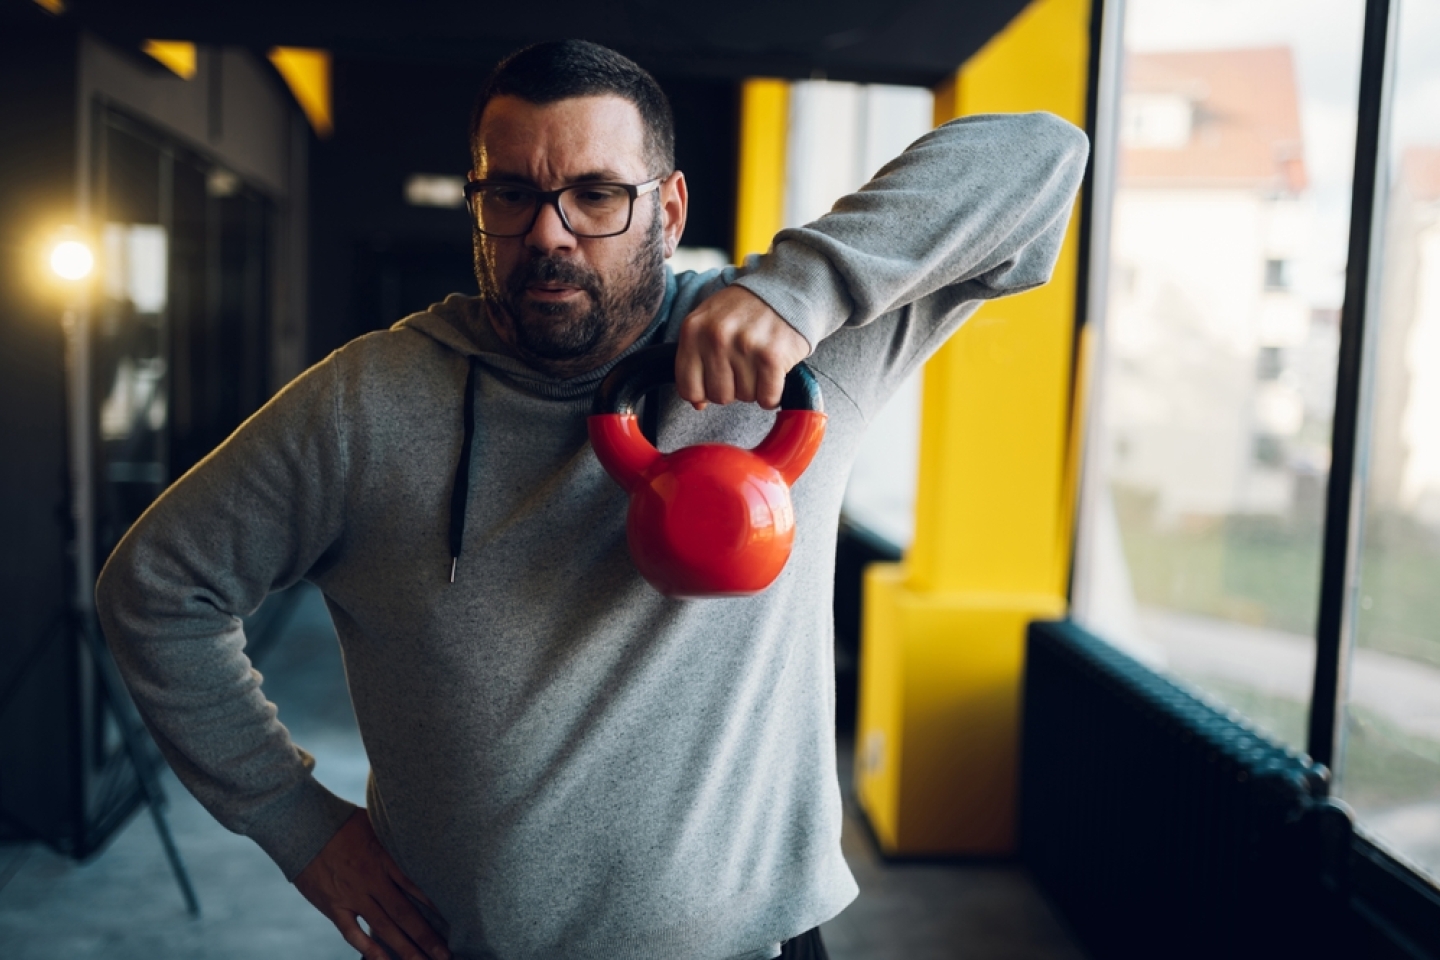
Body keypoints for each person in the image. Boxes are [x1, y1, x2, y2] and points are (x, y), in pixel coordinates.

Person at [96, 39, 1087, 960]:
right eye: (513, 194)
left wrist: (804, 287)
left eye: (598, 195)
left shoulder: (797, 357)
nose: (549, 235)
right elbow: (157, 586)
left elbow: (1044, 156)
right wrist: (292, 820)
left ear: (671, 208)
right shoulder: (368, 402)